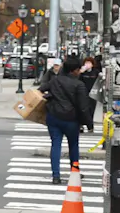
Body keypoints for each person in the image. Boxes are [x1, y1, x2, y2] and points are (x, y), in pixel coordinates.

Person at [38, 55, 90, 184]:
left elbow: (41, 89)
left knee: (56, 145)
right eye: (78, 70)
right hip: (71, 119)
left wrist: (50, 96)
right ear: (73, 71)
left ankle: (56, 175)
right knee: (73, 145)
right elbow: (83, 107)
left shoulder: (55, 80)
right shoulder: (79, 85)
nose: (79, 72)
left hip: (54, 117)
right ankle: (74, 170)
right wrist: (89, 123)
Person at [79, 55, 101, 133]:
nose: (88, 64)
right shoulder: (81, 72)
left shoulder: (96, 72)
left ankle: (90, 126)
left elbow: (100, 81)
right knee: (82, 109)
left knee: (91, 110)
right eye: (86, 63)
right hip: (83, 93)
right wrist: (80, 72)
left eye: (89, 63)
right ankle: (81, 125)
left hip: (93, 93)